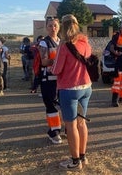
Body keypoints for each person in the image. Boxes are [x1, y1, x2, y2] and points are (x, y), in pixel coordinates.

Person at [52, 14, 92, 170]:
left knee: (71, 126)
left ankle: (75, 161)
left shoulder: (64, 46)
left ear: (63, 26)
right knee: (82, 123)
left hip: (69, 89)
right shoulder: (85, 43)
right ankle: (83, 156)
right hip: (86, 87)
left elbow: (56, 69)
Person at [38, 16, 62, 144]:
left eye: (55, 25)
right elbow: (44, 61)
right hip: (48, 79)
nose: (53, 28)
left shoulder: (61, 41)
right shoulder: (44, 43)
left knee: (62, 105)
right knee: (51, 106)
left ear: (59, 27)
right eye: (50, 26)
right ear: (46, 28)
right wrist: (60, 61)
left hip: (61, 79)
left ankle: (63, 129)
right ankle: (54, 132)